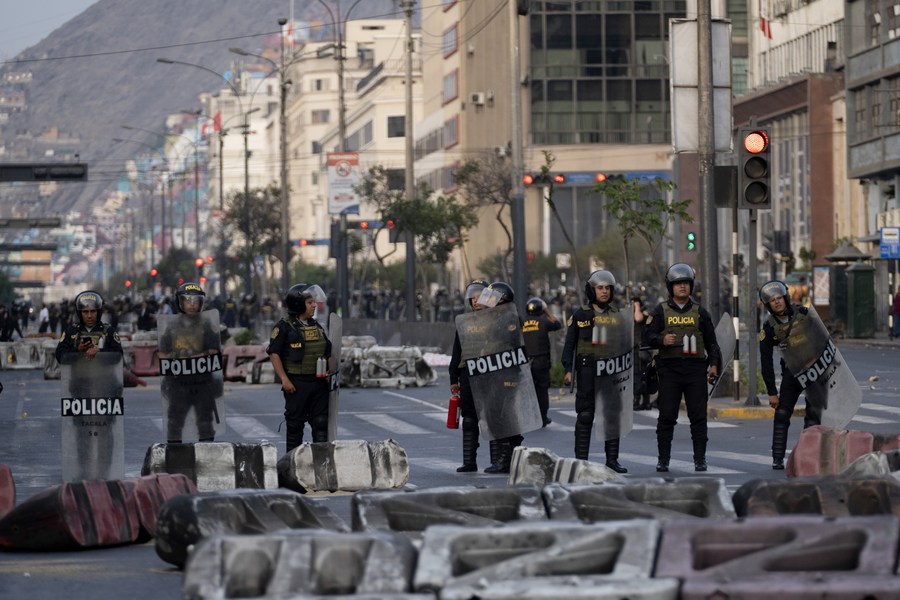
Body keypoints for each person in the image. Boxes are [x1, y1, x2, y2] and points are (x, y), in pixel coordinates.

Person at [642, 263, 721, 472]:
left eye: (686, 283)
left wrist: (714, 365)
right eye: (678, 284)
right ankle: (663, 460)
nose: (683, 287)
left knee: (698, 417)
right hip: (669, 370)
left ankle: (700, 459)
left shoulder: (701, 313)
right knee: (667, 417)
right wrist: (661, 340)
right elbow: (646, 337)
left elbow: (712, 343)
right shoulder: (660, 311)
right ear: (671, 287)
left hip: (696, 370)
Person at [561, 269, 629, 473]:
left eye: (608, 288)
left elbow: (627, 344)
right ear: (592, 290)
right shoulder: (580, 315)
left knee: (612, 415)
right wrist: (568, 369)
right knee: (585, 415)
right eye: (600, 288)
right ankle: (581, 461)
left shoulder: (618, 316)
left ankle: (612, 460)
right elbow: (569, 344)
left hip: (611, 369)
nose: (604, 291)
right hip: (587, 369)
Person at [758, 280, 823, 470]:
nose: (777, 302)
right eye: (772, 300)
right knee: (782, 414)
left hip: (814, 371)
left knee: (813, 415)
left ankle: (807, 456)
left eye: (779, 298)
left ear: (785, 297)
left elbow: (824, 340)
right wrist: (772, 392)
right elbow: (766, 361)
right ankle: (777, 458)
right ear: (768, 305)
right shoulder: (769, 328)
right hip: (791, 373)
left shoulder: (805, 314)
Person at [267, 283, 333, 452]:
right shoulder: (284, 327)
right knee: (295, 426)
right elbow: (274, 353)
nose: (314, 306)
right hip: (296, 384)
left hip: (318, 384)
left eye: (313, 302)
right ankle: (292, 462)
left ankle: (321, 461)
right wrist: (284, 379)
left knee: (321, 423)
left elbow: (328, 352)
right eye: (309, 302)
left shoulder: (317, 327)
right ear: (298, 304)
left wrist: (330, 373)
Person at [158, 282, 222, 443]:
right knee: (174, 423)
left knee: (205, 423)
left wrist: (194, 358)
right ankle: (175, 455)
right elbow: (162, 351)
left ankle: (206, 454)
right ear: (180, 302)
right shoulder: (172, 326)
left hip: (202, 383)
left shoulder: (206, 325)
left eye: (195, 301)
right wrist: (172, 363)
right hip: (178, 383)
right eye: (187, 300)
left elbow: (214, 350)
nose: (192, 304)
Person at [449, 278, 490, 472]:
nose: (475, 300)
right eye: (472, 297)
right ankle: (469, 461)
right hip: (468, 373)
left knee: (493, 418)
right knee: (469, 419)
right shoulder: (464, 322)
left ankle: (498, 462)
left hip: (491, 372)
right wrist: (453, 379)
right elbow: (456, 352)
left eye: (479, 296)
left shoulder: (497, 319)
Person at [522, 296, 561, 427]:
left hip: (525, 361)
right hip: (541, 361)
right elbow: (557, 324)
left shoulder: (522, 323)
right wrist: (547, 312)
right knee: (542, 390)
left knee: (528, 390)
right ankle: (543, 417)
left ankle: (530, 417)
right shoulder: (543, 322)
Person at [55, 291, 123, 363]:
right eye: (85, 312)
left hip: (103, 370)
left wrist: (100, 351)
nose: (89, 316)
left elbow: (119, 355)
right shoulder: (71, 331)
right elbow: (59, 355)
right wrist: (77, 350)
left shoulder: (109, 331)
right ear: (80, 313)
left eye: (93, 311)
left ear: (99, 312)